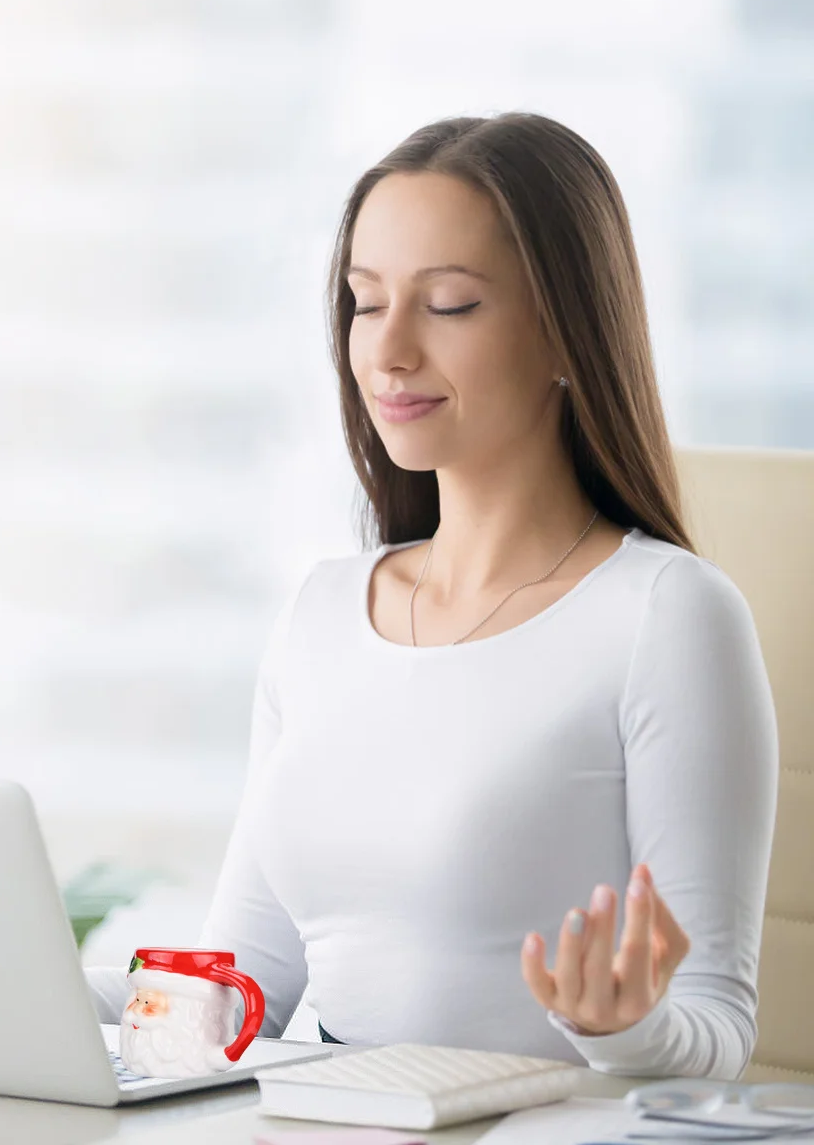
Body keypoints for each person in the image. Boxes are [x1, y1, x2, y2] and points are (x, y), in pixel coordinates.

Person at [86, 112, 779, 1081]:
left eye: (449, 304)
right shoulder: (321, 614)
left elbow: (716, 1032)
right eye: (366, 303)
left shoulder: (667, 616)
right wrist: (44, 994)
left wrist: (624, 1029)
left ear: (566, 333)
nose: (389, 351)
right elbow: (243, 993)